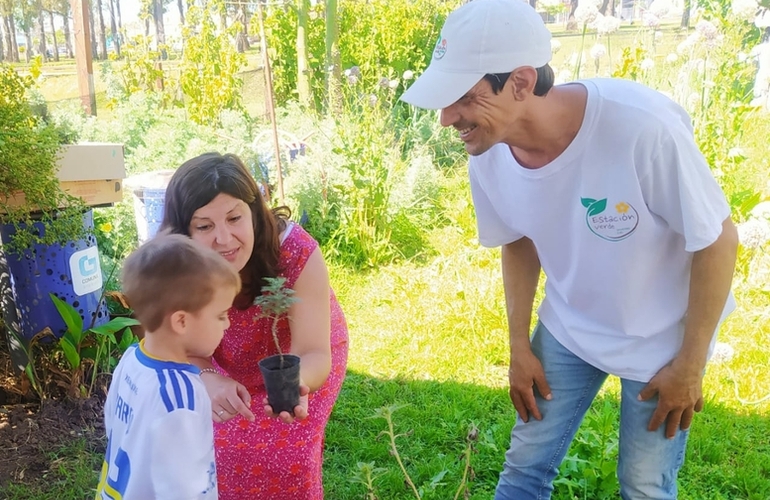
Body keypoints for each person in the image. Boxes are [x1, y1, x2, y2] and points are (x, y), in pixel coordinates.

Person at [400, 1, 739, 499]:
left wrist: (689, 365)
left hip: (663, 336)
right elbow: (517, 240)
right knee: (524, 469)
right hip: (570, 323)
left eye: (464, 98)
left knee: (643, 486)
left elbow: (717, 240)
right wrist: (519, 345)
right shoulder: (488, 150)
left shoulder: (640, 128)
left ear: (519, 81)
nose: (448, 118)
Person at [160, 152, 349, 499]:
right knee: (212, 448)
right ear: (183, 232)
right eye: (204, 226)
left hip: (298, 356)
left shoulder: (297, 253)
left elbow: (314, 352)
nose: (224, 238)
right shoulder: (174, 264)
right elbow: (171, 343)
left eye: (234, 218)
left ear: (254, 212)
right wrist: (205, 376)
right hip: (220, 361)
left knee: (285, 455)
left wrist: (293, 386)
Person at [97, 233, 241, 500]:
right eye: (220, 315)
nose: (227, 325)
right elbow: (185, 490)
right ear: (181, 322)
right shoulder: (182, 395)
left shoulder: (131, 358)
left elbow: (112, 423)